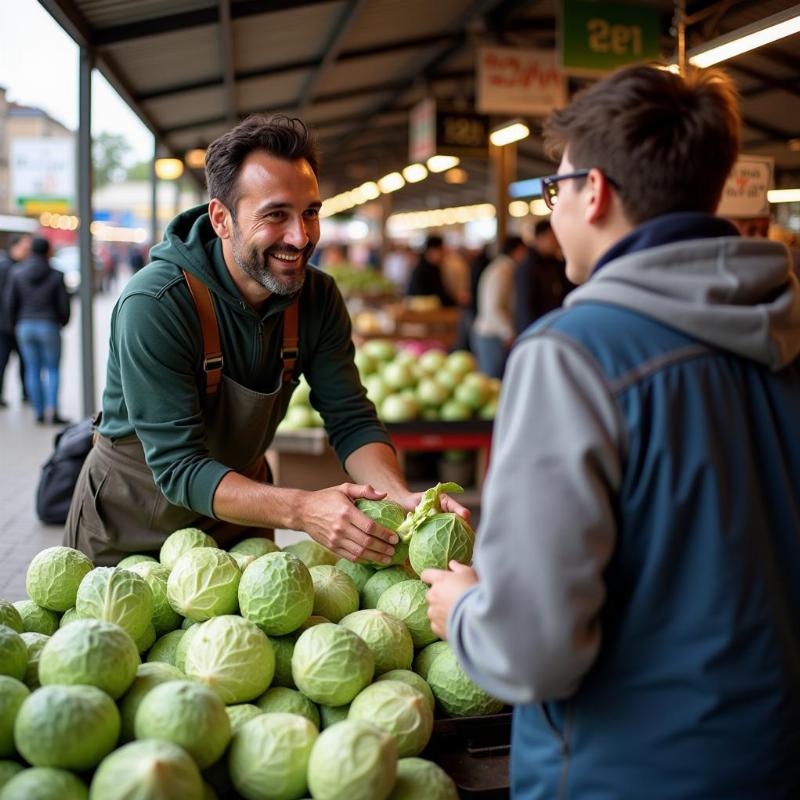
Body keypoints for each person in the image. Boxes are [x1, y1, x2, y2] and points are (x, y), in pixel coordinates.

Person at [423, 64, 800, 798]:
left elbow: (531, 652)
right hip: (774, 752)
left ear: (592, 193)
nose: (553, 208)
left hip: (626, 771)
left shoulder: (572, 354)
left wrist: (466, 609)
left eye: (552, 188)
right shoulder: (789, 332)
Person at [65, 114, 464, 565]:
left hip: (236, 526)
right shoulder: (155, 303)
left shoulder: (316, 296)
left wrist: (399, 497)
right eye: (276, 215)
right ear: (222, 219)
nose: (301, 236)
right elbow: (178, 468)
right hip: (132, 527)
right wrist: (302, 508)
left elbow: (350, 418)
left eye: (310, 212)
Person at [4, 237, 71, 425]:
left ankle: (39, 412)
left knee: (32, 369)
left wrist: (15, 324)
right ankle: (54, 410)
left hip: (25, 326)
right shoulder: (56, 274)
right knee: (53, 370)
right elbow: (63, 305)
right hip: (49, 325)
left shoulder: (17, 272)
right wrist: (62, 322)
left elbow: (10, 303)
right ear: (48, 251)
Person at [470, 235, 527, 378]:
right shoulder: (502, 271)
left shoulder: (505, 268)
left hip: (493, 333)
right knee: (491, 381)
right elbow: (493, 307)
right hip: (491, 335)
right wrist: (508, 332)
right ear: (517, 250)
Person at [513, 218, 570, 336]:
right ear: (539, 239)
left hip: (557, 329)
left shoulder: (556, 264)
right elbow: (525, 307)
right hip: (536, 332)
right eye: (552, 237)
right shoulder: (527, 268)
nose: (556, 241)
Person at [0, 233, 32, 407]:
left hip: (19, 324)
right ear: (14, 247)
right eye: (25, 248)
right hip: (5, 326)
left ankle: (27, 393)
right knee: (2, 362)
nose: (28, 252)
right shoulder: (5, 267)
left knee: (25, 363)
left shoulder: (23, 266)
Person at [405, 234, 456, 307]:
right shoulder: (426, 269)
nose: (443, 255)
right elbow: (438, 294)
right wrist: (455, 300)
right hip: (423, 314)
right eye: (441, 251)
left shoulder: (427, 266)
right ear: (432, 251)